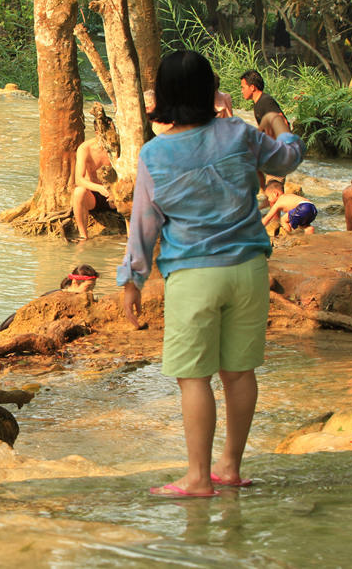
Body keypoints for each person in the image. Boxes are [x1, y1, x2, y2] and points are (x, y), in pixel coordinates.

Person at [118, 50, 304, 497]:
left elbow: (145, 224)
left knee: (194, 378)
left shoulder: (155, 154)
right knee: (239, 373)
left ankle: (198, 478)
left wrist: (132, 280)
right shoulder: (239, 133)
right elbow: (287, 159)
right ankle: (231, 468)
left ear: (162, 96)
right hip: (248, 271)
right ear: (209, 90)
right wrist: (282, 127)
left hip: (193, 276)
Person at [0, 265, 99, 335]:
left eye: (92, 288)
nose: (91, 292)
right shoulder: (56, 297)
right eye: (88, 288)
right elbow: (23, 313)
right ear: (75, 282)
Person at [71, 128, 113, 241]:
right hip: (94, 195)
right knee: (79, 192)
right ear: (97, 133)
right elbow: (79, 180)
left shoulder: (118, 146)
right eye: (105, 135)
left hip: (115, 195)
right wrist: (99, 188)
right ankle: (83, 236)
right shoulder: (85, 149)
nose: (109, 138)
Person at [239, 69, 289, 138]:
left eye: (243, 88)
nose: (242, 91)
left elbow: (283, 122)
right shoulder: (257, 104)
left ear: (252, 87)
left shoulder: (266, 101)